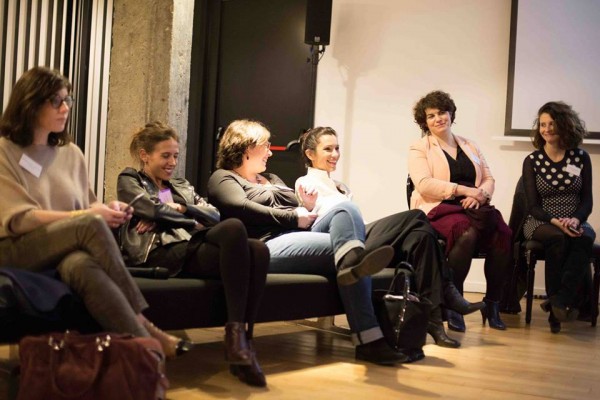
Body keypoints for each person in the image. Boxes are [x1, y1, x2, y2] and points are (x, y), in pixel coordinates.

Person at [208, 120, 480, 365]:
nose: (270, 151)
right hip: (268, 245)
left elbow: (302, 209)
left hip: (304, 232)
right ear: (247, 147)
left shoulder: (273, 179)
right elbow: (240, 206)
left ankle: (353, 261)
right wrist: (293, 216)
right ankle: (370, 335)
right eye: (266, 145)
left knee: (351, 210)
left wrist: (307, 206)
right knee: (390, 231)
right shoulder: (223, 177)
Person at [0, 66, 189, 359]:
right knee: (89, 225)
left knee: (81, 265)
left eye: (68, 100)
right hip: (15, 249)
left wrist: (108, 208)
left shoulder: (70, 153)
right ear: (30, 103)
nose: (65, 108)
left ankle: (147, 356)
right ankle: (145, 322)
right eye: (56, 101)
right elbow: (20, 219)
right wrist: (84, 218)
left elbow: (87, 205)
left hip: (64, 249)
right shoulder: (5, 150)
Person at [117, 121, 269, 386]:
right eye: (165, 155)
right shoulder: (130, 179)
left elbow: (214, 214)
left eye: (175, 155)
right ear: (145, 155)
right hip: (158, 251)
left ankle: (243, 339)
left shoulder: (180, 184)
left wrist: (183, 210)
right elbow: (149, 209)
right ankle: (238, 342)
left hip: (189, 246)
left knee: (258, 250)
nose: (172, 162)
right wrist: (186, 219)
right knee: (235, 229)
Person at [408, 90, 512, 332]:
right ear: (425, 122)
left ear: (451, 114)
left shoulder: (470, 145)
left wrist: (480, 195)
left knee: (504, 234)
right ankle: (455, 304)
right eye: (431, 116)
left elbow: (488, 178)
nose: (438, 119)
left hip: (475, 206)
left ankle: (492, 304)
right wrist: (464, 191)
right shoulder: (419, 147)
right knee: (466, 233)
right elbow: (423, 184)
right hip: (438, 207)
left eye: (441, 112)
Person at [523, 101, 595, 333]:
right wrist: (556, 221)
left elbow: (587, 201)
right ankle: (558, 307)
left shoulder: (581, 157)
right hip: (542, 221)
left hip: (574, 218)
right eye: (542, 125)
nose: (547, 129)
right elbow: (533, 206)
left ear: (564, 125)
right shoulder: (532, 161)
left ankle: (558, 301)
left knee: (585, 237)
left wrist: (575, 219)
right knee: (558, 238)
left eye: (552, 124)